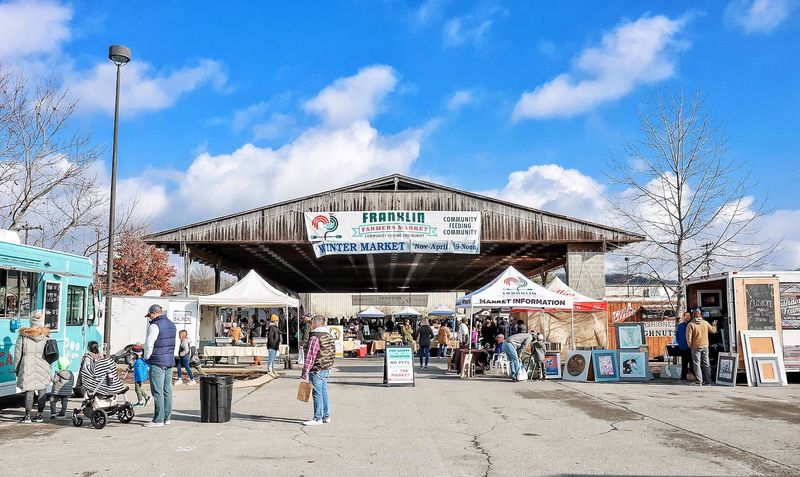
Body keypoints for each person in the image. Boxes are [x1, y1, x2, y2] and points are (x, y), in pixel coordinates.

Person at [13, 310, 51, 423]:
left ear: (31, 321)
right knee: (42, 390)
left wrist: (16, 368)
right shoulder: (46, 336)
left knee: (29, 391)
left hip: (27, 366)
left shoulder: (23, 335)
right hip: (43, 365)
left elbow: (17, 354)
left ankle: (27, 416)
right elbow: (50, 353)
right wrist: (49, 367)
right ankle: (39, 415)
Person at [143, 304, 176, 428]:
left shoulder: (154, 325)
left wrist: (146, 357)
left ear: (153, 313)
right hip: (169, 360)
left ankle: (158, 419)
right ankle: (167, 418)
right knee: (167, 390)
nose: (149, 318)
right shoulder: (172, 325)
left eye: (150, 316)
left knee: (157, 391)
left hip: (157, 361)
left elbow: (149, 344)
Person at [300, 314, 335, 426]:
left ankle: (317, 417)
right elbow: (333, 352)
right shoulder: (328, 335)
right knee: (324, 392)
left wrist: (305, 371)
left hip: (317, 368)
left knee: (317, 393)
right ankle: (326, 415)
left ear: (315, 323)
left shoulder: (315, 337)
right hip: (326, 367)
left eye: (312, 323)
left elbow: (311, 355)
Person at [686, 309, 718, 386]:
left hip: (695, 346)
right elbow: (713, 331)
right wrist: (714, 324)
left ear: (693, 315)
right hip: (705, 346)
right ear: (700, 315)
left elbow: (688, 337)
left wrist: (690, 345)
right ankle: (708, 381)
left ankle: (698, 381)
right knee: (706, 364)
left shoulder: (690, 325)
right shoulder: (705, 323)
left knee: (697, 364)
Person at [676, 311, 693, 381]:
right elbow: (677, 335)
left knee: (692, 363)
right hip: (683, 347)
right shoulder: (680, 326)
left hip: (691, 347)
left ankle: (692, 376)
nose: (688, 317)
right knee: (684, 363)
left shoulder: (692, 325)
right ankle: (683, 376)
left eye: (689, 316)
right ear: (684, 316)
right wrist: (679, 342)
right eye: (686, 315)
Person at [266, 314, 281, 378]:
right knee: (271, 358)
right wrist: (273, 344)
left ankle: (272, 369)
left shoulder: (275, 327)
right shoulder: (272, 327)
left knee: (273, 358)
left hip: (275, 345)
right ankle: (270, 370)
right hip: (272, 346)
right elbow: (270, 337)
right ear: (274, 321)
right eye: (277, 320)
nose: (278, 322)